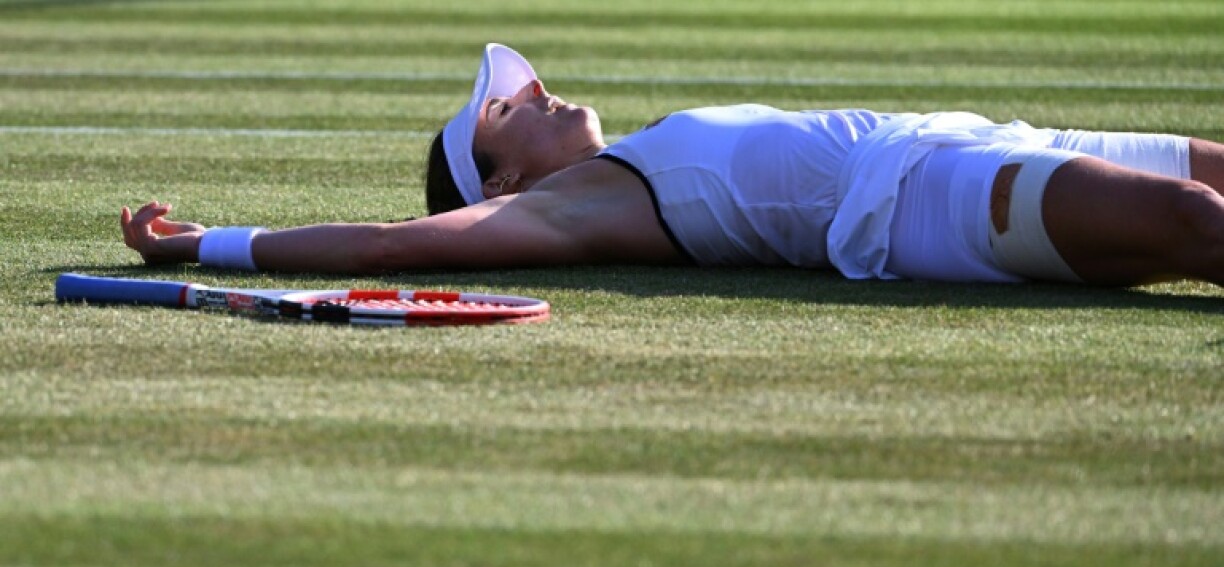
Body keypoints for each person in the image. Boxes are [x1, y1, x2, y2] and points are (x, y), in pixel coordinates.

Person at [122, 43, 1224, 288]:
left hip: (980, 140)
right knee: (1194, 222)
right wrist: (204, 243)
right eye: (502, 113)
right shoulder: (571, 207)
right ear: (501, 185)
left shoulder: (629, 156)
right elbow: (392, 242)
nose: (533, 90)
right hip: (922, 203)